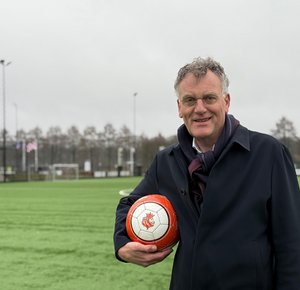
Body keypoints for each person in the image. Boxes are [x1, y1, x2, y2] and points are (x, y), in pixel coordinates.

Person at [113, 57, 300, 290]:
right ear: (180, 108)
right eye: (190, 100)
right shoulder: (167, 161)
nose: (200, 109)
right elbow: (129, 204)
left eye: (209, 98)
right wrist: (121, 244)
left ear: (226, 101)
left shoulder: (269, 153)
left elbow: (292, 244)